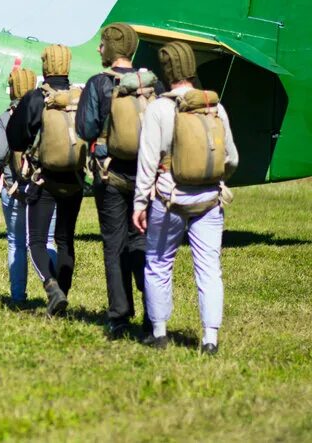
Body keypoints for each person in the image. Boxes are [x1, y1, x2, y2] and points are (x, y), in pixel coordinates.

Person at [132, 41, 238, 354]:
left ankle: (161, 333)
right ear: (191, 68)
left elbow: (148, 163)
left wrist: (140, 203)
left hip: (169, 200)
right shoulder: (215, 107)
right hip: (208, 201)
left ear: (167, 72)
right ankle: (210, 338)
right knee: (209, 268)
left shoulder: (159, 108)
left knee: (158, 263)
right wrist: (215, 180)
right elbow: (230, 158)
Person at [76, 23, 161, 338]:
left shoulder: (98, 84)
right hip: (149, 177)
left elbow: (85, 129)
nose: (98, 49)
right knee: (143, 242)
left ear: (111, 49)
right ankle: (154, 316)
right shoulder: (153, 85)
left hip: (110, 174)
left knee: (114, 244)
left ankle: (120, 319)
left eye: (102, 45)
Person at [7, 44, 86, 316]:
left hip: (44, 180)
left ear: (46, 66)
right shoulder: (80, 96)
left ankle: (52, 289)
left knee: (37, 241)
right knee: (65, 241)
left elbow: (17, 136)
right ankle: (62, 297)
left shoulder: (36, 98)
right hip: (75, 179)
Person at [0, 68, 57, 303]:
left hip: (14, 188)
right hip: (46, 186)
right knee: (47, 239)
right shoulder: (49, 111)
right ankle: (54, 292)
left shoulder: (6, 117)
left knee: (16, 243)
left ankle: (18, 296)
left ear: (12, 89)